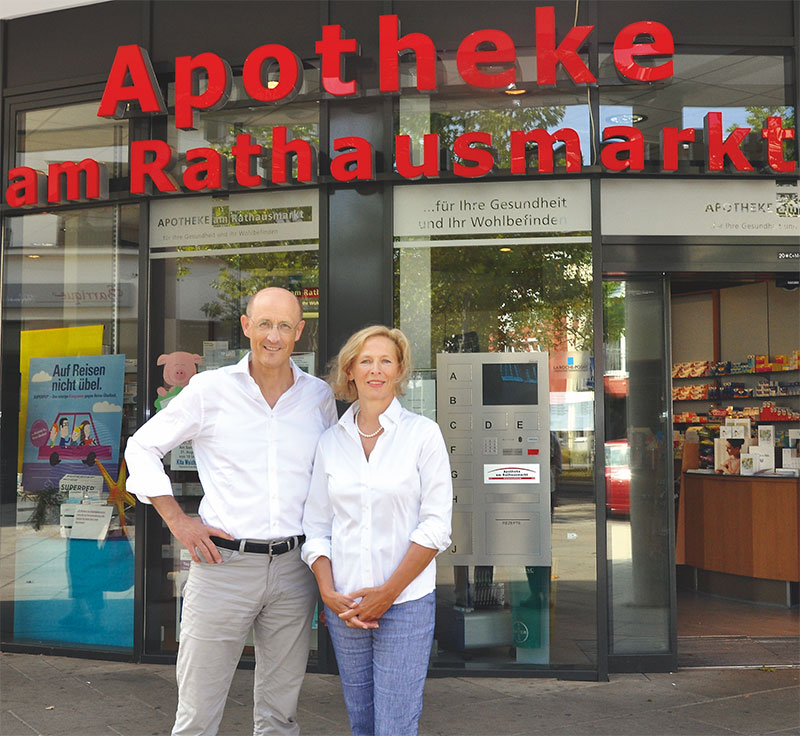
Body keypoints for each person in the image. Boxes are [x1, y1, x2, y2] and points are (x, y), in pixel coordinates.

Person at [125, 287, 337, 736]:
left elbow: (333, 476)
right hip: (222, 566)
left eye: (284, 326)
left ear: (299, 332)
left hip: (294, 570)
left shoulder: (317, 396)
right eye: (264, 324)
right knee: (198, 712)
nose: (274, 336)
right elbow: (141, 446)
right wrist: (177, 520)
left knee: (281, 714)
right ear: (246, 326)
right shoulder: (210, 389)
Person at [302, 325, 452, 736]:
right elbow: (316, 525)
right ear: (350, 370)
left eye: (386, 360)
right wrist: (328, 592)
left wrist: (387, 595)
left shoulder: (423, 435)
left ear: (400, 370)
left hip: (405, 603)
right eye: (365, 361)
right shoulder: (330, 442)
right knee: (362, 722)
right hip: (346, 605)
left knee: (395, 726)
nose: (375, 370)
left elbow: (437, 526)